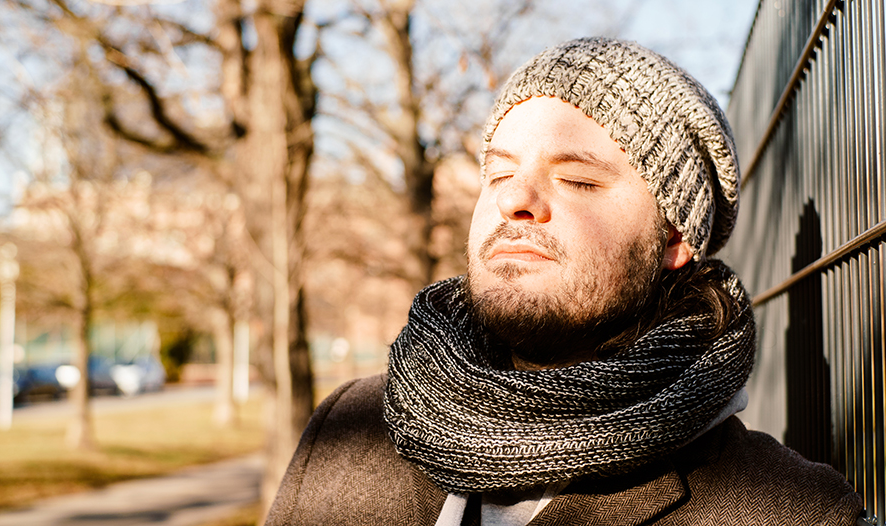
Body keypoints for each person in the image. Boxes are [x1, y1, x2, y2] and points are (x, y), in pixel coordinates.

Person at [265, 37, 863, 526]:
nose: (515, 200)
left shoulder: (787, 510)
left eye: (577, 181)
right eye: (499, 173)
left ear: (676, 239)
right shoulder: (353, 424)